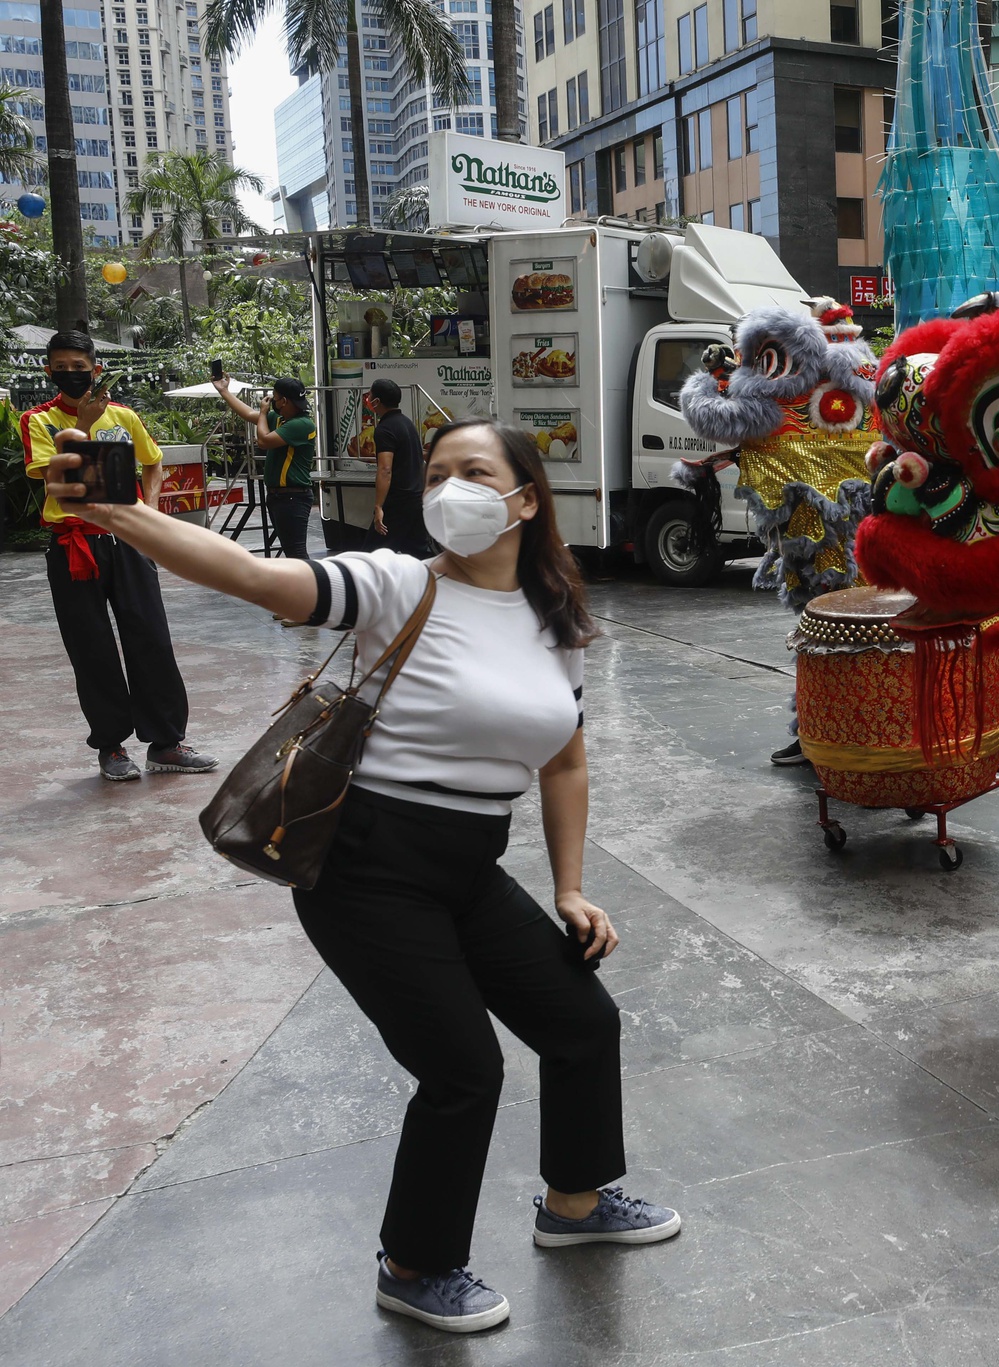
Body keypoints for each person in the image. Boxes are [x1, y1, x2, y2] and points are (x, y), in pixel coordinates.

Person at [36, 418, 681, 1333]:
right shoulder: (394, 582)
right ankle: (416, 1265)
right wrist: (121, 513)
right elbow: (259, 575)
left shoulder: (556, 622)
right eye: (439, 472)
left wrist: (570, 888)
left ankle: (574, 1205)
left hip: (466, 866)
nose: (451, 486)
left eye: (476, 471)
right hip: (365, 865)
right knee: (464, 1068)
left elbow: (566, 761)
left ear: (527, 499)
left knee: (581, 1020)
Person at [25, 330, 216, 782]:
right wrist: (87, 427)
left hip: (127, 540)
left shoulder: (125, 416)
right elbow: (56, 475)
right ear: (48, 370)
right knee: (91, 647)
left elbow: (153, 461)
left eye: (80, 367)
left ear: (97, 368)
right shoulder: (37, 421)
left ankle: (167, 743)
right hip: (74, 547)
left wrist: (148, 512)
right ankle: (111, 747)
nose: (71, 375)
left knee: (150, 636)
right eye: (61, 367)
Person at [215, 373, 318, 560]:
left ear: (284, 401)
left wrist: (263, 412)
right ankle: (303, 588)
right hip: (280, 496)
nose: (273, 402)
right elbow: (247, 413)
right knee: (292, 552)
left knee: (297, 553)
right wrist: (224, 391)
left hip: (293, 496)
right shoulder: (281, 420)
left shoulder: (302, 425)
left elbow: (263, 441)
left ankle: (316, 588)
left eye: (275, 398)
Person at [367, 377, 433, 556]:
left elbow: (385, 470)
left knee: (374, 555)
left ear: (377, 401)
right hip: (416, 498)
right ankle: (431, 581)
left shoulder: (385, 429)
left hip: (398, 502)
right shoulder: (407, 423)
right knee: (417, 553)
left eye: (370, 396)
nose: (368, 399)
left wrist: (379, 507)